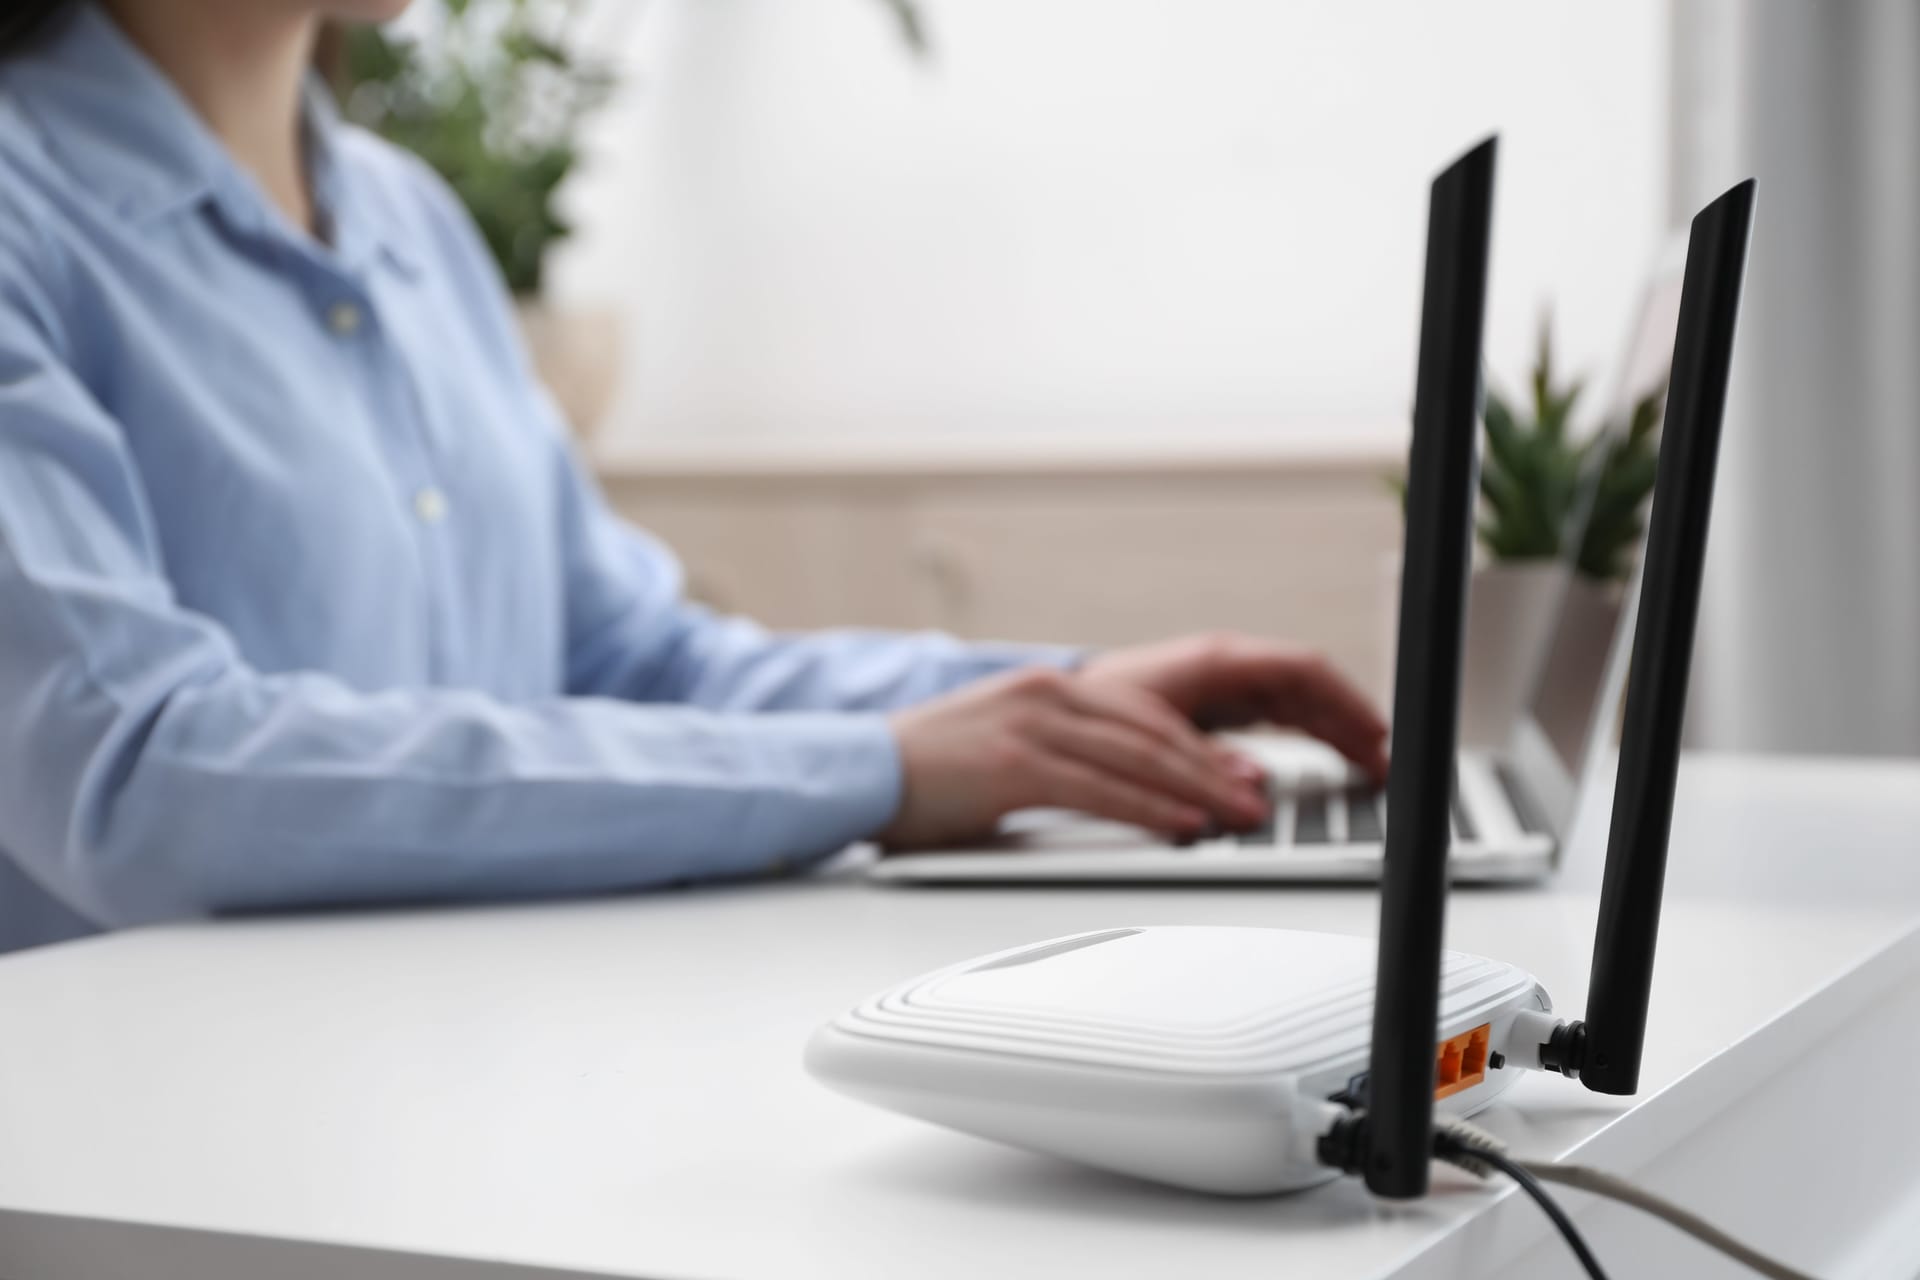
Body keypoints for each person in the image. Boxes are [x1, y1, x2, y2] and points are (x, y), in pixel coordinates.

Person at [0, 0, 1389, 954]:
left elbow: (631, 657)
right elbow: (138, 776)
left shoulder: (409, 219)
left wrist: (1049, 710)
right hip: (155, 1170)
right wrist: (874, 769)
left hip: (451, 1077)